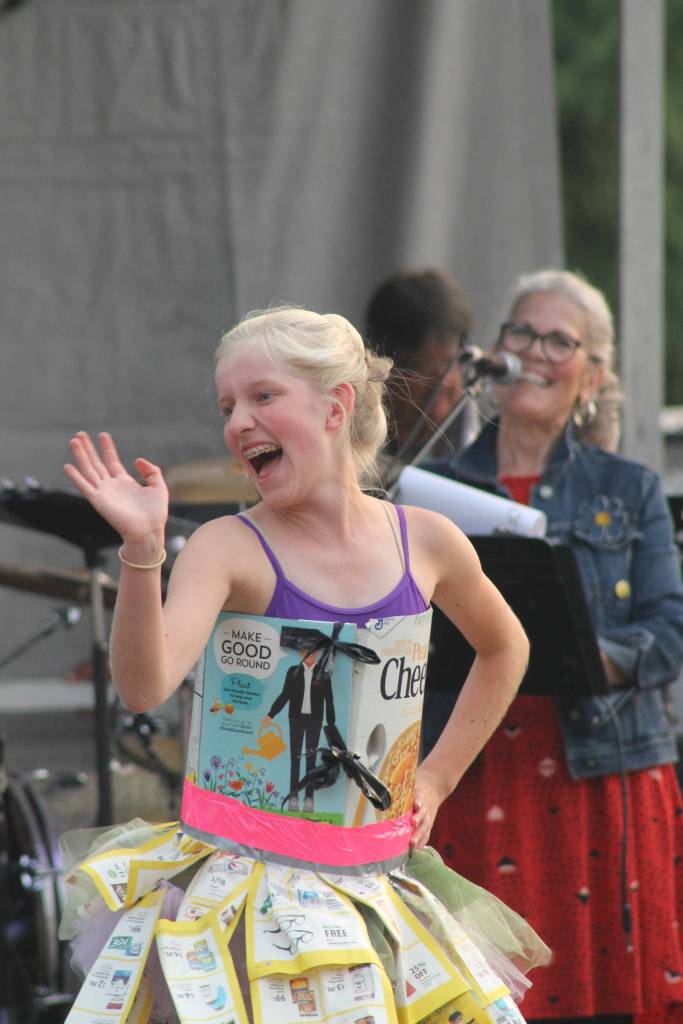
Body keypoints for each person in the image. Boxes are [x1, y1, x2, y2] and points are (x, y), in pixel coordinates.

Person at [59, 306, 548, 1021]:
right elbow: (143, 685)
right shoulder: (228, 547)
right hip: (243, 896)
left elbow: (506, 647)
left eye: (261, 396)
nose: (237, 422)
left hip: (375, 886)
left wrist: (437, 777)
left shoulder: (429, 542)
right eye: (227, 405)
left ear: (335, 405)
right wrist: (142, 550)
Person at [426, 269, 683, 1023]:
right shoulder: (430, 488)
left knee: (592, 992)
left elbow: (669, 630)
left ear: (593, 375)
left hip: (593, 774)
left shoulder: (626, 489)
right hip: (470, 767)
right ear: (493, 351)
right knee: (478, 994)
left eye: (558, 340)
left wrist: (581, 656)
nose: (533, 352)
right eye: (520, 333)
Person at [364, 268, 480, 465]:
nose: (445, 383)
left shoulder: (475, 443)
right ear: (381, 366)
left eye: (453, 365)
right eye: (426, 369)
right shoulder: (350, 436)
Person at [263, 645, 335, 812]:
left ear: (317, 654)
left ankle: (309, 798)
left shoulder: (323, 674)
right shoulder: (293, 671)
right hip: (296, 718)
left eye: (314, 652)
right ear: (302, 654)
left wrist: (331, 723)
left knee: (311, 758)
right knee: (295, 758)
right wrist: (270, 715)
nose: (311, 655)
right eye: (307, 652)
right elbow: (284, 695)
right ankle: (293, 796)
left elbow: (329, 699)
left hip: (315, 720)